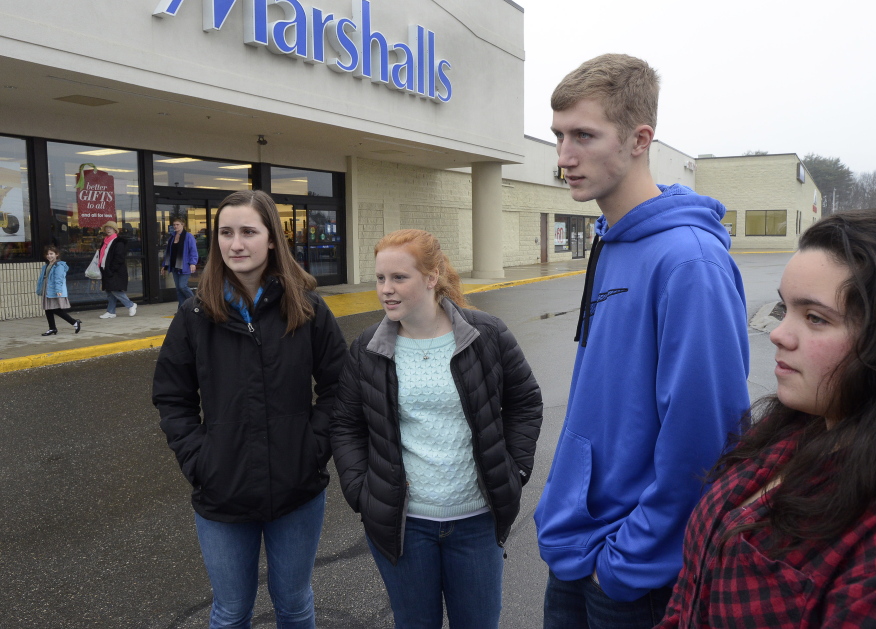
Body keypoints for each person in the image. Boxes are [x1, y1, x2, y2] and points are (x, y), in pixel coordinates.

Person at [657, 209, 876, 628]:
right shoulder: (800, 425)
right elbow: (693, 592)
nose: (779, 333)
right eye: (786, 309)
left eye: (816, 318)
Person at [533, 53, 751, 628]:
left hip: (631, 573)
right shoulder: (610, 239)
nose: (564, 157)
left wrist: (631, 560)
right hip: (577, 549)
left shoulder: (689, 261)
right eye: (558, 136)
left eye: (584, 135)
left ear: (639, 139)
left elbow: (706, 437)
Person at [152, 190, 348, 628]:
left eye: (248, 232)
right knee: (230, 611)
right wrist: (200, 460)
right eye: (225, 232)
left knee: (295, 605)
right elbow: (172, 396)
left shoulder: (309, 309)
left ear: (272, 239)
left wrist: (314, 446)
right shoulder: (195, 314)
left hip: (298, 489)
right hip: (222, 491)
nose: (235, 243)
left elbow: (340, 386)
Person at [330, 229, 543, 629]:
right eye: (380, 279)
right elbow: (346, 424)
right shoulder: (367, 349)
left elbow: (525, 402)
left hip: (477, 521)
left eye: (399, 278)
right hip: (405, 525)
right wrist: (361, 490)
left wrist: (513, 471)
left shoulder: (487, 335)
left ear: (431, 277)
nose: (386, 290)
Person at [35, 245, 81, 336]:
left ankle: (74, 322)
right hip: (47, 289)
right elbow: (42, 278)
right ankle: (52, 328)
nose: (49, 256)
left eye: (51, 254)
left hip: (54, 290)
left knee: (56, 309)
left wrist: (58, 290)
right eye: (47, 254)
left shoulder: (59, 265)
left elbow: (59, 279)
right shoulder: (46, 266)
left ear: (57, 254)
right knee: (48, 309)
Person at [97, 220, 137, 318]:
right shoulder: (105, 241)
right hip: (106, 269)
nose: (108, 230)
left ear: (115, 230)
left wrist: (111, 269)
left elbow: (119, 258)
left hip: (115, 271)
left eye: (110, 228)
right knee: (109, 291)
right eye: (107, 228)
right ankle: (111, 311)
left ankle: (130, 305)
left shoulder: (118, 242)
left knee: (115, 290)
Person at [161, 215, 199, 304]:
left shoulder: (188, 236)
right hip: (174, 266)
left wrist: (193, 263)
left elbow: (193, 250)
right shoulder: (172, 237)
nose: (175, 226)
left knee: (182, 286)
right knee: (178, 289)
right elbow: (168, 253)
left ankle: (196, 303)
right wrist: (164, 266)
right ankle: (181, 309)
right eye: (174, 225)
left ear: (183, 225)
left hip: (184, 266)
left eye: (177, 224)